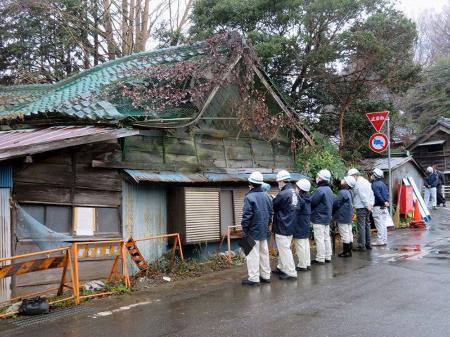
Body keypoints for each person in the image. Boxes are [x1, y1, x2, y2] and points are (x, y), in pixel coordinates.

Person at [241, 171, 274, 286]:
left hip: (252, 231)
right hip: (264, 230)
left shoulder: (249, 197)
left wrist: (244, 230)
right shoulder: (267, 196)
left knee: (252, 255)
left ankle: (254, 278)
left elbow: (246, 216)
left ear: (251, 183)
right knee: (264, 253)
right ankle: (266, 275)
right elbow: (271, 214)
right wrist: (268, 225)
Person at [272, 170, 298, 280]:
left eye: (278, 182)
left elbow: (274, 206)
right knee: (284, 248)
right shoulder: (294, 192)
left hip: (283, 224)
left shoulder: (283, 194)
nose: (278, 184)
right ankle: (281, 267)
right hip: (291, 223)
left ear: (282, 181)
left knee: (284, 249)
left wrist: (273, 198)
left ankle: (291, 272)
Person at [347, 168, 375, 251]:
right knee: (367, 225)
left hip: (361, 207)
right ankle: (368, 244)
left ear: (355, 175)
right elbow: (371, 194)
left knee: (361, 226)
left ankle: (361, 245)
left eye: (351, 177)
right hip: (368, 206)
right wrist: (371, 204)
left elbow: (363, 196)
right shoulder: (366, 181)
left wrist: (367, 205)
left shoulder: (358, 184)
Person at [310, 169, 334, 264]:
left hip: (319, 218)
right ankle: (328, 256)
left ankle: (320, 258)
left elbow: (312, 202)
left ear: (320, 178)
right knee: (326, 237)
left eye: (318, 176)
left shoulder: (320, 190)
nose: (316, 178)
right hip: (327, 217)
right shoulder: (329, 189)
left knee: (319, 238)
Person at [333, 176, 356, 257]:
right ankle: (349, 250)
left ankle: (346, 252)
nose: (342, 180)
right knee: (349, 232)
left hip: (342, 215)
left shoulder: (342, 192)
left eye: (344, 180)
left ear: (347, 183)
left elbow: (336, 203)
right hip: (349, 215)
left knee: (345, 233)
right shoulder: (351, 192)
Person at [293, 179, 312, 271]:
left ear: (300, 189)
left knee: (300, 244)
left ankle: (302, 265)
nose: (295, 189)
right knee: (305, 244)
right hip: (305, 223)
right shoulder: (308, 197)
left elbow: (294, 209)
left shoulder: (300, 199)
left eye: (296, 187)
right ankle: (307, 263)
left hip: (299, 223)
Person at [371, 168, 389, 246]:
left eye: (372, 174)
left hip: (377, 207)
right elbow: (387, 194)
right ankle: (384, 239)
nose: (371, 176)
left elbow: (378, 195)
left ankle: (380, 240)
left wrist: (383, 202)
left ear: (375, 176)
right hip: (384, 207)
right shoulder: (383, 184)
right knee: (383, 224)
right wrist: (386, 202)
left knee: (379, 225)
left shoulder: (374, 185)